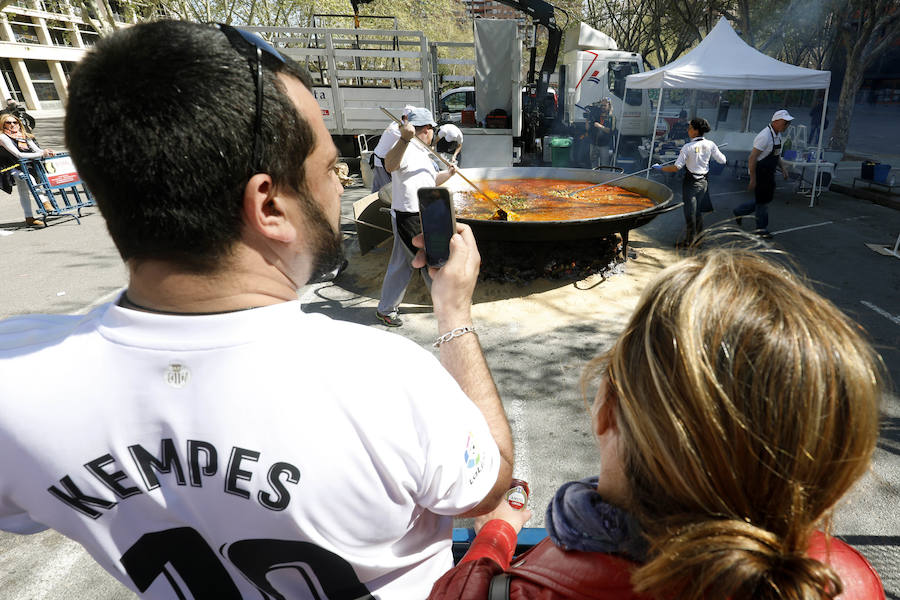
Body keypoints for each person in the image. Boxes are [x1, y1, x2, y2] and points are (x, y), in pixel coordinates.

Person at [0, 21, 513, 599]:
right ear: (269, 205)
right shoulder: (384, 378)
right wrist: (454, 315)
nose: (340, 185)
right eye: (329, 168)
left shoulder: (15, 378)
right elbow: (485, 488)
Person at [429, 247, 885, 600]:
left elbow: (475, 576)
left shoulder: (492, 592)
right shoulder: (849, 581)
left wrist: (496, 531)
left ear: (607, 410)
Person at [376, 107, 456, 327]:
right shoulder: (405, 147)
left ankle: (386, 308)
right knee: (430, 259)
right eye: (433, 129)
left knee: (403, 263)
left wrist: (447, 174)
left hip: (424, 213)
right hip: (408, 216)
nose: (433, 134)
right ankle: (445, 307)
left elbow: (430, 182)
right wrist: (403, 139)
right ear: (427, 129)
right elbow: (390, 165)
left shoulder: (423, 152)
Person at [656, 117, 726, 245]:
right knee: (697, 211)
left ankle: (689, 242)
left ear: (695, 131)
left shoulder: (688, 147)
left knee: (690, 213)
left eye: (689, 128)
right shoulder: (710, 144)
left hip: (691, 183)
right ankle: (698, 239)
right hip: (704, 182)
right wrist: (707, 158)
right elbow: (723, 160)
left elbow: (676, 167)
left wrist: (661, 168)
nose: (688, 130)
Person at [733, 109, 793, 239]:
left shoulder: (778, 135)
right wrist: (752, 179)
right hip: (760, 172)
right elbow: (752, 158)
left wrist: (783, 169)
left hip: (769, 173)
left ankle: (740, 211)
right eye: (785, 122)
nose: (787, 125)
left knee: (765, 199)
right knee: (762, 202)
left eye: (788, 123)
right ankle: (761, 229)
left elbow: (776, 155)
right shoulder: (764, 136)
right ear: (776, 121)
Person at [0, 113, 55, 227]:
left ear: (19, 124)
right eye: (8, 123)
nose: (12, 125)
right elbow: (18, 154)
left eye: (15, 122)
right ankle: (45, 202)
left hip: (26, 166)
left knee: (23, 191)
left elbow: (37, 150)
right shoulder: (3, 137)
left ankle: (29, 218)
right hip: (10, 168)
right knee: (29, 179)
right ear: (3, 125)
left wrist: (47, 152)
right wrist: (40, 154)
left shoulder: (23, 135)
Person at [370, 104, 414, 193]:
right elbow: (411, 141)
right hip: (382, 162)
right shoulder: (398, 129)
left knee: (378, 191)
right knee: (387, 193)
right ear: (406, 117)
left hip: (379, 160)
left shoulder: (397, 124)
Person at [587, 97, 614, 168]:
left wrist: (600, 126)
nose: (603, 107)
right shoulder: (596, 114)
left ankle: (606, 179)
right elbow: (587, 128)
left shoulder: (611, 117)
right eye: (602, 105)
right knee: (593, 165)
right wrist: (588, 118)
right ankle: (593, 178)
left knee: (605, 166)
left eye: (605, 105)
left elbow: (610, 130)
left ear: (609, 106)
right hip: (594, 143)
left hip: (604, 145)